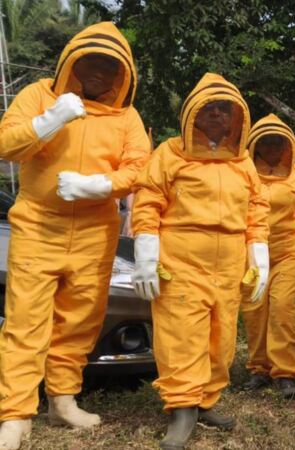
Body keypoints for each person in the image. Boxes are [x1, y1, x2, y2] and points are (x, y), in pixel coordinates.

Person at [0, 22, 150, 450]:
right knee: (25, 320)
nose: (99, 72)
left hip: (94, 232)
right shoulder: (38, 95)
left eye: (109, 66)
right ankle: (15, 414)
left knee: (80, 320)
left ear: (123, 74)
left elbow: (140, 168)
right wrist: (50, 120)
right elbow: (6, 144)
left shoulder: (126, 117)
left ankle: (62, 400)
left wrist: (98, 185)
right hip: (37, 225)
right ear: (72, 62)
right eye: (91, 62)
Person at [131, 73, 270, 450]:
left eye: (224, 109)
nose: (216, 114)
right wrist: (146, 255)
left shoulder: (243, 161)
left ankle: (206, 400)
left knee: (221, 339)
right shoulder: (169, 154)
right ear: (192, 113)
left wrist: (259, 257)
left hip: (229, 265)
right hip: (182, 261)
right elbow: (148, 202)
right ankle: (182, 408)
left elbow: (257, 210)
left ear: (235, 117)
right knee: (181, 336)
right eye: (209, 107)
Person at [239, 114, 295, 399]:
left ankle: (285, 372)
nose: (273, 147)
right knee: (255, 312)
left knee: (282, 309)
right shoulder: (242, 170)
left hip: (286, 252)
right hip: (252, 253)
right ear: (255, 145)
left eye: (278, 142)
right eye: (267, 141)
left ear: (288, 146)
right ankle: (259, 368)